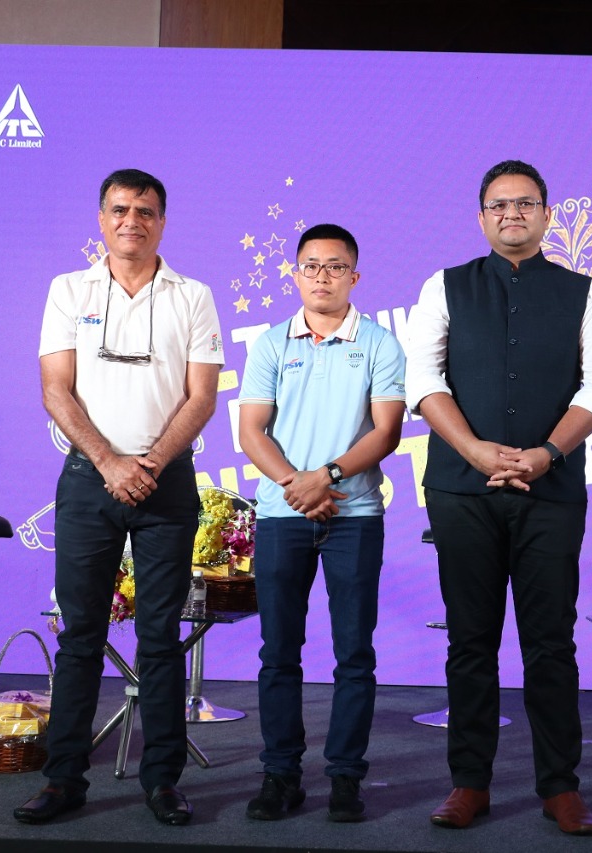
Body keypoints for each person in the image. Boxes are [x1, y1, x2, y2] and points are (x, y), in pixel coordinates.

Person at [405, 159, 592, 835]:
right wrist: (473, 450)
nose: (512, 214)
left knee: (550, 642)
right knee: (470, 640)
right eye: (499, 205)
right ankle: (469, 783)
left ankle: (561, 787)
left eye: (526, 204)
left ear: (547, 215)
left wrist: (546, 453)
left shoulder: (584, 292)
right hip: (461, 489)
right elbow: (423, 378)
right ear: (481, 218)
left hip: (550, 490)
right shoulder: (445, 286)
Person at [16, 169, 224, 826]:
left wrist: (150, 464)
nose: (132, 220)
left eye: (146, 211)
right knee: (80, 635)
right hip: (88, 480)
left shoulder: (193, 295)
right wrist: (109, 462)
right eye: (120, 209)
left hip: (168, 483)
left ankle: (162, 781)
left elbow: (202, 396)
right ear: (101, 218)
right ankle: (63, 780)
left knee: (160, 637)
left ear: (163, 221)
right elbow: (55, 389)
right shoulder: (68, 289)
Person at [237, 223, 405, 823]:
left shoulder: (380, 343)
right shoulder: (270, 343)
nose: (322, 277)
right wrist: (298, 486)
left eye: (335, 267)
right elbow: (250, 430)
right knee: (278, 652)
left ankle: (345, 776)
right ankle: (280, 774)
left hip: (354, 515)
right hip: (283, 514)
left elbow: (387, 431)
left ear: (354, 276)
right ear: (295, 274)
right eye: (311, 266)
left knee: (354, 653)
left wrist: (326, 477)